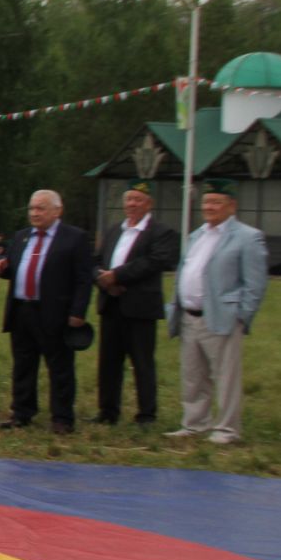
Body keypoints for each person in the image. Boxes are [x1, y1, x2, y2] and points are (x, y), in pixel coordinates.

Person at [167, 180, 268, 445]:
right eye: (206, 202)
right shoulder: (196, 235)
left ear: (231, 206)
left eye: (216, 202)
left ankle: (227, 429)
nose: (209, 207)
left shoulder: (247, 237)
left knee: (225, 376)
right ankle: (195, 423)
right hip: (190, 316)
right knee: (193, 375)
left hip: (222, 318)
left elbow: (255, 283)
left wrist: (241, 315)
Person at [0, 189, 93, 434]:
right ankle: (22, 412)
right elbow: (18, 268)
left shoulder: (74, 238)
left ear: (57, 211)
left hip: (55, 312)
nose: (35, 213)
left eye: (41, 208)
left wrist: (78, 312)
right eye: (32, 208)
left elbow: (83, 279)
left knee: (59, 367)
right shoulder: (21, 237)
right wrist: (4, 268)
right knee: (23, 364)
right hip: (22, 310)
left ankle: (62, 417)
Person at [92, 179, 176, 428]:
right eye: (129, 199)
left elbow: (153, 262)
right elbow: (95, 260)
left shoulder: (161, 233)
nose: (132, 204)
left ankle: (146, 414)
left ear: (148, 204)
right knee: (108, 361)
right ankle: (108, 411)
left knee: (142, 361)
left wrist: (118, 275)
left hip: (140, 308)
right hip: (111, 303)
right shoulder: (113, 230)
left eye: (137, 200)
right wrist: (102, 279)